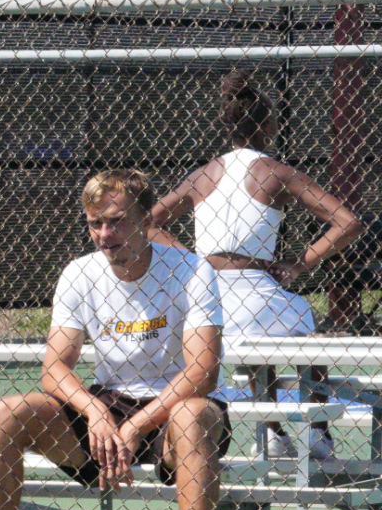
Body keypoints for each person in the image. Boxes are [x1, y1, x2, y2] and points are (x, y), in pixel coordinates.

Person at [0, 169, 228, 510]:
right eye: (94, 223)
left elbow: (202, 370)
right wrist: (95, 412)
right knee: (9, 413)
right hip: (108, 403)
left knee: (190, 415)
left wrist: (137, 424)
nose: (105, 234)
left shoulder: (191, 271)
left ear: (146, 220)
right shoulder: (79, 273)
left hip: (178, 406)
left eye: (117, 221)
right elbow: (54, 367)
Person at [148, 70, 365, 460]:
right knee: (303, 324)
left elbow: (147, 223)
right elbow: (348, 222)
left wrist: (189, 260)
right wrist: (299, 264)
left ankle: (272, 431)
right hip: (256, 293)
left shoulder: (202, 175)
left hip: (207, 297)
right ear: (267, 125)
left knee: (253, 349)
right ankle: (316, 432)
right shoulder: (277, 172)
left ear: (227, 124)